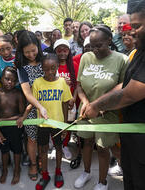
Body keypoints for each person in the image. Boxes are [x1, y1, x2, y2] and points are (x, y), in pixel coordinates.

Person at [84, 2, 145, 189]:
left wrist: (96, 106)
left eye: (136, 26)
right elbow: (125, 84)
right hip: (132, 138)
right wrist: (98, 101)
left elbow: (131, 93)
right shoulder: (138, 52)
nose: (131, 32)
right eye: (129, 27)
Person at [74, 25, 129, 190]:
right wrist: (85, 103)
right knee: (87, 143)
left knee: (103, 148)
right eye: (92, 45)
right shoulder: (86, 57)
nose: (95, 49)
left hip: (108, 113)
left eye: (99, 45)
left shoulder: (121, 60)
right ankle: (86, 172)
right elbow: (79, 86)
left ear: (109, 41)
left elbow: (123, 86)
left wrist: (102, 106)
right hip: (85, 111)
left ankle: (102, 181)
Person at [30, 53, 72, 190]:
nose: (49, 72)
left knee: (58, 147)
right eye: (46, 69)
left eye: (53, 68)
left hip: (58, 123)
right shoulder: (37, 83)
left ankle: (58, 171)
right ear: (41, 68)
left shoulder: (62, 83)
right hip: (42, 124)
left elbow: (65, 104)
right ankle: (45, 174)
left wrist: (65, 125)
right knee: (42, 149)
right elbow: (33, 102)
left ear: (58, 67)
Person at [15, 30, 46, 181]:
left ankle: (42, 159)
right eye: (27, 52)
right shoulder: (21, 68)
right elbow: (28, 94)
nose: (31, 55)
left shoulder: (46, 60)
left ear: (38, 47)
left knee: (44, 137)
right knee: (32, 138)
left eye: (33, 51)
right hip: (31, 108)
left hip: (49, 104)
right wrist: (39, 107)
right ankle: (33, 163)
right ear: (21, 51)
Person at [0, 66, 27, 185]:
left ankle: (17, 170)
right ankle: (5, 170)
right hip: (2, 129)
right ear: (1, 78)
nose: (9, 82)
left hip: (16, 128)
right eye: (7, 79)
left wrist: (5, 119)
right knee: (4, 151)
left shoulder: (18, 94)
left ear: (16, 81)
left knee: (17, 151)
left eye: (13, 80)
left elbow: (21, 114)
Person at [54, 39, 78, 159]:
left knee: (67, 123)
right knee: (55, 123)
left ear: (69, 51)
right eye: (59, 50)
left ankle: (64, 145)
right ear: (55, 52)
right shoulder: (53, 65)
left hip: (69, 101)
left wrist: (73, 98)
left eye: (65, 50)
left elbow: (78, 84)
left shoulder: (73, 65)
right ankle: (56, 146)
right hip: (55, 101)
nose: (62, 52)